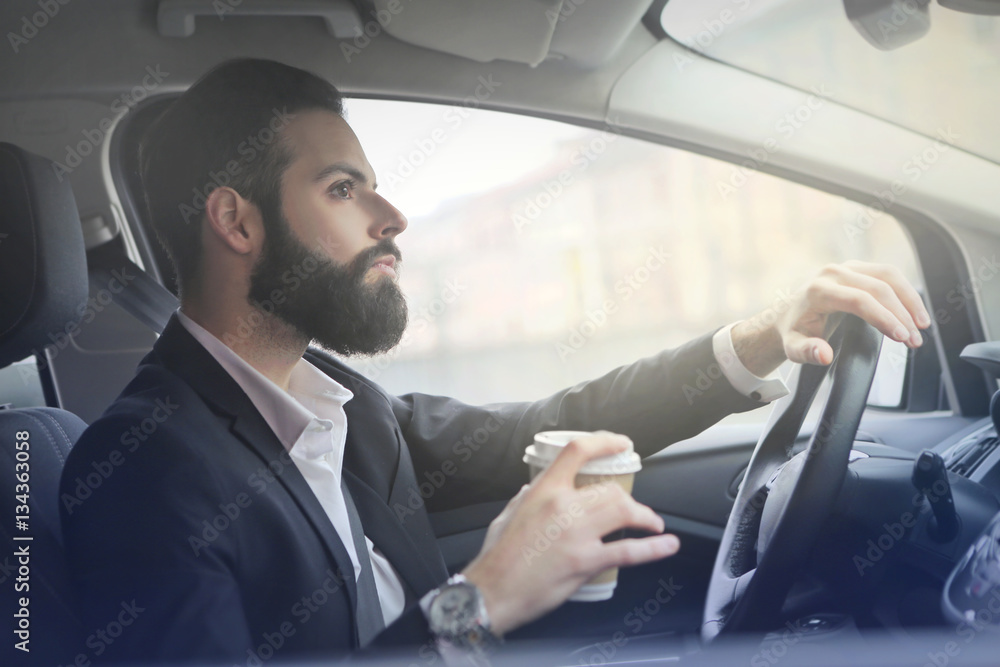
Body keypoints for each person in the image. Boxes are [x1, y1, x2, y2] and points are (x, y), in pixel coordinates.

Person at [59, 58, 931, 664]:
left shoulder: (343, 404)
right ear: (237, 222)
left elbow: (544, 422)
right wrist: (479, 601)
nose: (391, 213)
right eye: (341, 188)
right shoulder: (146, 469)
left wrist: (756, 339)